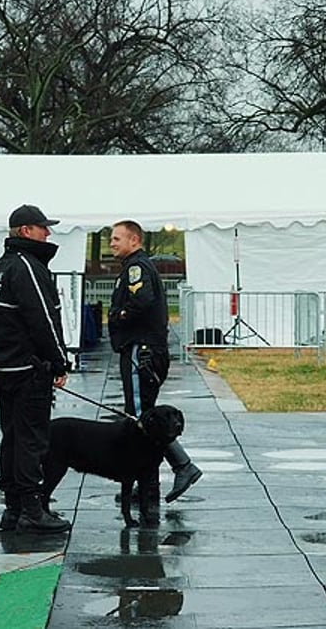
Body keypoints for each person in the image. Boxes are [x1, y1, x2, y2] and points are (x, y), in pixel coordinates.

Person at [0, 204, 72, 533]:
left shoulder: (0, 268)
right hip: (29, 369)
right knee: (31, 440)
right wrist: (60, 360)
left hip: (4, 368)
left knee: (12, 438)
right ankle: (33, 507)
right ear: (25, 231)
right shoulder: (27, 267)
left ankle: (13, 507)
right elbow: (43, 319)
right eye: (42, 227)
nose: (47, 233)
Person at [108, 220, 202, 521]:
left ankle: (181, 465)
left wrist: (120, 316)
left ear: (134, 240)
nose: (111, 243)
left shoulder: (137, 267)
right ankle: (146, 479)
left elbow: (142, 300)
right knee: (142, 415)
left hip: (142, 349)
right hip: (146, 349)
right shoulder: (135, 265)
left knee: (140, 415)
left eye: (116, 238)